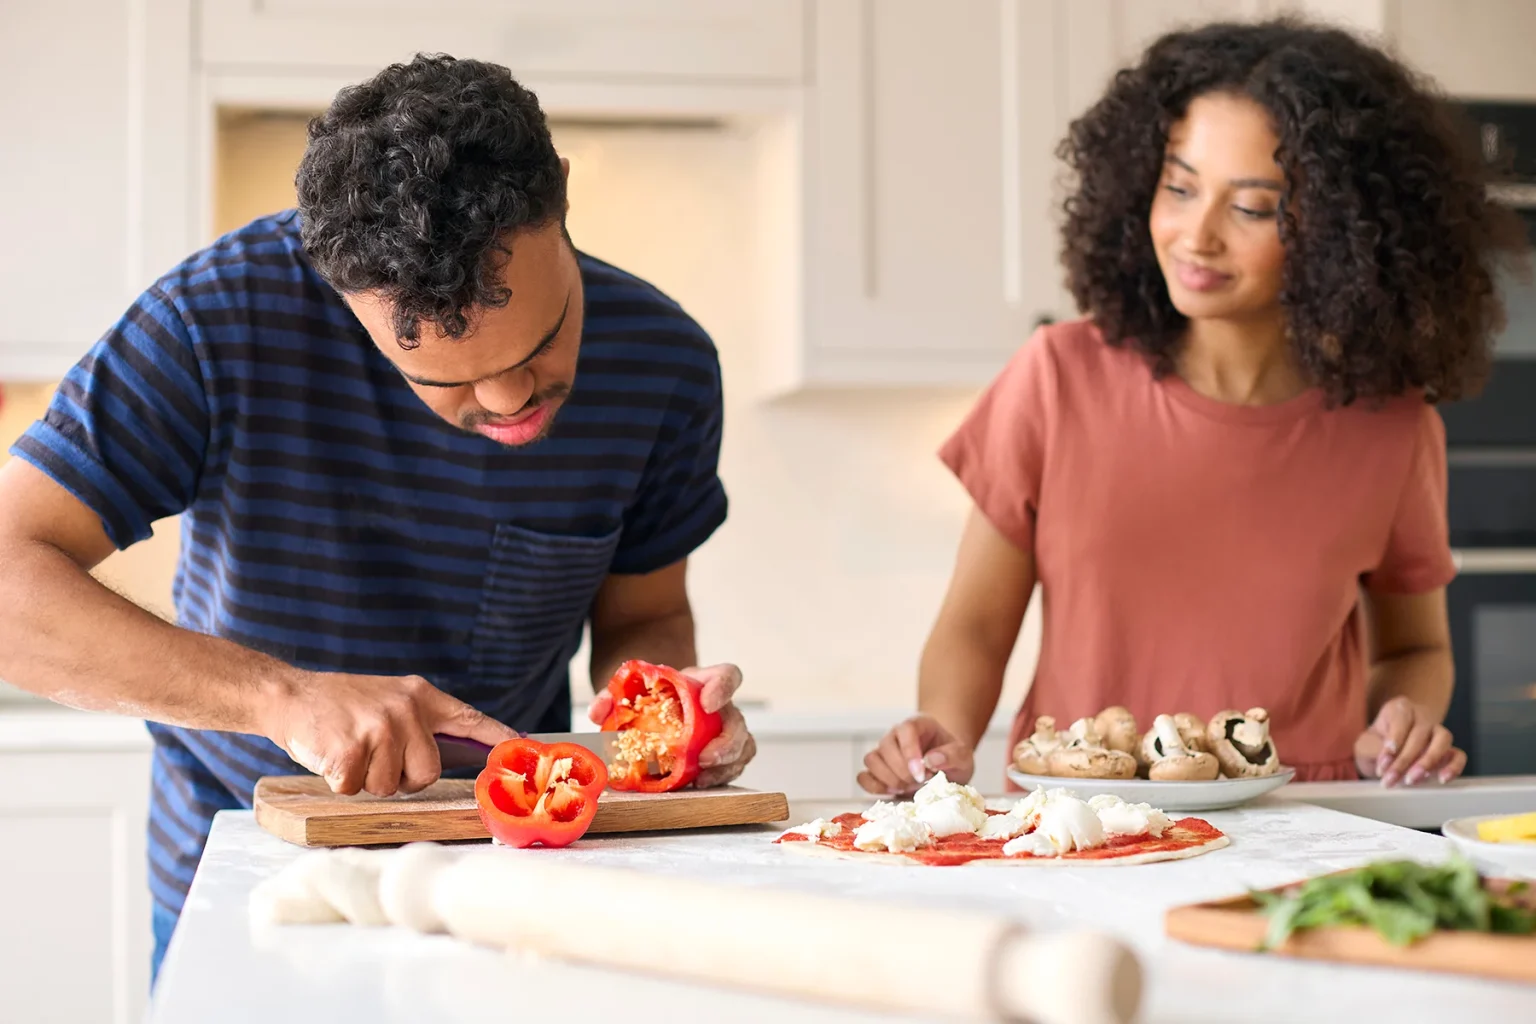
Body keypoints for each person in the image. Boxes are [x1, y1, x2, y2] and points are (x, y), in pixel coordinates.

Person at [0, 54, 755, 980]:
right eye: (448, 378)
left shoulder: (665, 363)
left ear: (560, 195)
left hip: (517, 881)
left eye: (544, 338)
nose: (513, 400)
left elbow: (642, 615)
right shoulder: (215, 319)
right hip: (257, 882)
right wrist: (288, 700)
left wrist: (669, 717)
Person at [861, 19, 1527, 797]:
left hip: (1304, 820)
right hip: (1078, 813)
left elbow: (1413, 649)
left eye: (1251, 208)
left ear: (1342, 232)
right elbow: (974, 627)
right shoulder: (1056, 377)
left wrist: (1403, 720)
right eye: (1179, 187)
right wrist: (947, 730)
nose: (1195, 235)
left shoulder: (1393, 426)